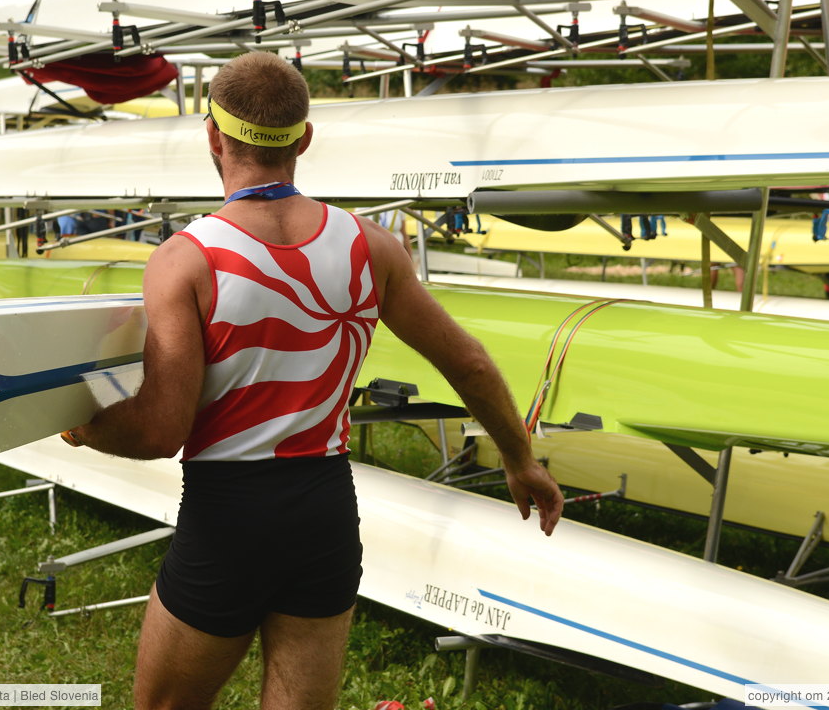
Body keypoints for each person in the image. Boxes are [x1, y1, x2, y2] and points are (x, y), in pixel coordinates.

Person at [61, 52, 563, 710]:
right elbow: (466, 361)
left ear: (213, 137)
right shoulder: (370, 247)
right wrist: (520, 461)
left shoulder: (187, 261)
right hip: (324, 510)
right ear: (303, 139)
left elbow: (160, 429)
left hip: (230, 514)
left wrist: (85, 428)